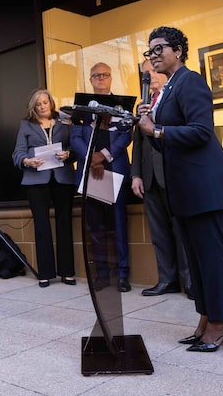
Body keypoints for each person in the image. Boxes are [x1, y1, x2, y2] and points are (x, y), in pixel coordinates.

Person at [137, 25, 223, 352]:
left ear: (178, 50)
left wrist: (156, 130)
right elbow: (164, 143)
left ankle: (222, 324)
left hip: (203, 185)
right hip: (183, 188)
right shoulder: (168, 88)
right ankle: (206, 319)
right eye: (148, 51)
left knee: (210, 257)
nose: (153, 56)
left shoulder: (191, 81)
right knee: (195, 260)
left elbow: (200, 131)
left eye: (159, 49)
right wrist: (147, 126)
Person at [131, 60, 192, 299]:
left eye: (154, 71)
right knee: (159, 233)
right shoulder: (143, 105)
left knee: (182, 230)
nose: (150, 75)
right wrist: (135, 174)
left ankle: (190, 282)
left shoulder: (175, 97)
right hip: (149, 178)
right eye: (146, 73)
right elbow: (138, 143)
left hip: (173, 173)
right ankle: (167, 280)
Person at [70, 62, 133, 292]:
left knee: (118, 224)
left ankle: (123, 274)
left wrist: (103, 156)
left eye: (105, 75)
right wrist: (91, 158)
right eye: (96, 75)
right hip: (90, 173)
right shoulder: (81, 107)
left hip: (114, 170)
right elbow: (75, 137)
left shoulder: (122, 105)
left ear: (111, 78)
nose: (101, 79)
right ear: (90, 79)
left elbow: (126, 135)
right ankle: (103, 275)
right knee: (95, 226)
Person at [12, 89, 75, 287]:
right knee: (41, 225)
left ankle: (67, 272)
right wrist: (27, 161)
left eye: (45, 102)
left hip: (62, 178)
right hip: (36, 179)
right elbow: (18, 152)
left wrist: (68, 154)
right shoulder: (26, 124)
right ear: (34, 106)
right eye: (38, 104)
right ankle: (45, 273)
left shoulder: (65, 122)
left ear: (51, 103)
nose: (41, 106)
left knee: (64, 223)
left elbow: (76, 146)